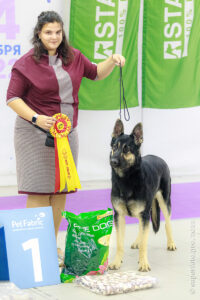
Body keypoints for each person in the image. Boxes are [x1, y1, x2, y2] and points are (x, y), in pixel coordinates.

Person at [6, 11, 125, 265]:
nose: (54, 37)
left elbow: (95, 72)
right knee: (39, 191)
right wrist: (37, 118)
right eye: (48, 32)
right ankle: (36, 252)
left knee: (59, 190)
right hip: (33, 134)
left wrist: (112, 60)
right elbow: (12, 98)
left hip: (67, 135)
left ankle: (51, 245)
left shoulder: (74, 57)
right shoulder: (25, 63)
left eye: (58, 32)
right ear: (39, 33)